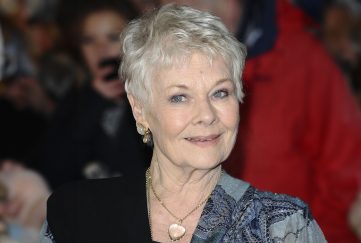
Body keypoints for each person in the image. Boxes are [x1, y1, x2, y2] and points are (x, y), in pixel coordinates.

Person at [38, 4, 326, 242]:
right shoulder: (77, 214)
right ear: (140, 108)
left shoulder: (283, 227)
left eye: (220, 93)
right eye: (179, 97)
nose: (207, 115)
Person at [39, 0, 151, 189]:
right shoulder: (74, 103)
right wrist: (93, 102)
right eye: (88, 40)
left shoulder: (154, 95)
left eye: (113, 38)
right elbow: (53, 171)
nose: (100, 50)